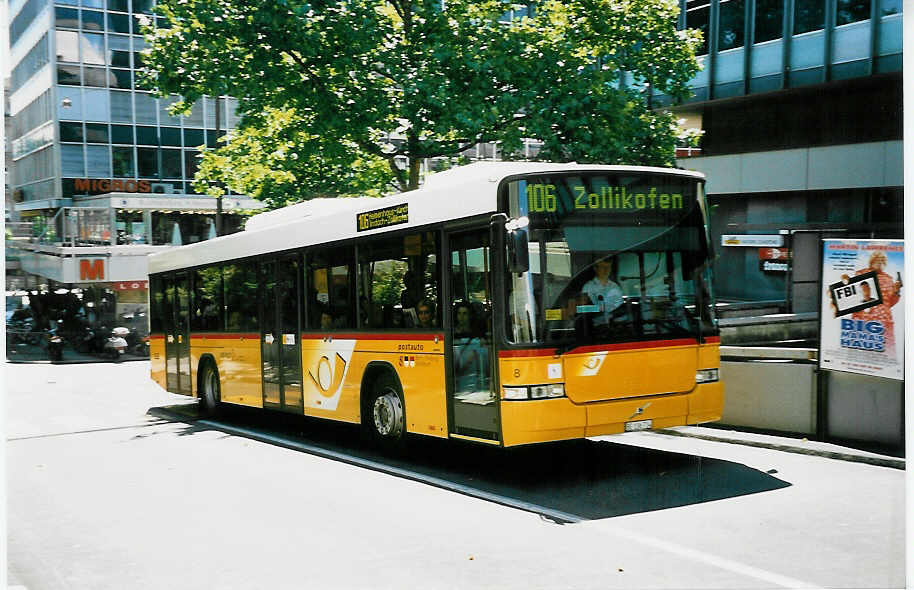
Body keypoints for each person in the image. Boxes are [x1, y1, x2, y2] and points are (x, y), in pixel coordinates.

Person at [850, 251, 902, 354]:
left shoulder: (888, 278)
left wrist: (896, 291)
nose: (879, 263)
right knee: (859, 352)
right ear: (871, 262)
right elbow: (854, 295)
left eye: (882, 261)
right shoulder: (861, 273)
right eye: (877, 261)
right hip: (863, 318)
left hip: (884, 319)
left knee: (886, 352)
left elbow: (890, 302)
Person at [453, 302, 487, 393]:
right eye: (459, 313)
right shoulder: (451, 334)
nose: (461, 317)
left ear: (470, 316)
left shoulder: (477, 334)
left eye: (465, 314)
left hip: (475, 377)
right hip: (460, 379)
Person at [580, 257, 624, 327]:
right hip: (595, 326)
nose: (606, 270)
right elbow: (583, 308)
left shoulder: (615, 286)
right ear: (595, 268)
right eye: (603, 267)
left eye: (608, 267)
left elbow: (620, 305)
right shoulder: (588, 287)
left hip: (615, 325)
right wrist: (598, 309)